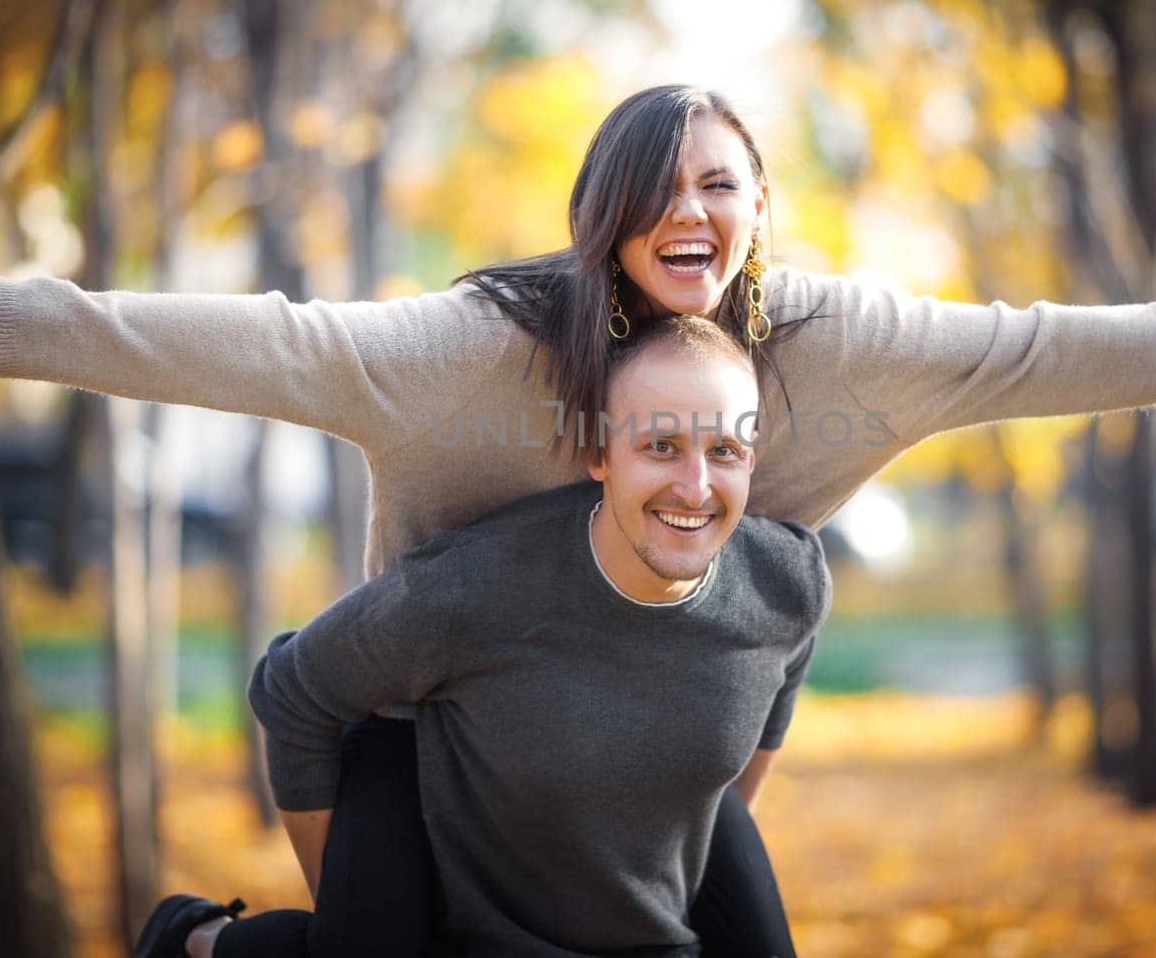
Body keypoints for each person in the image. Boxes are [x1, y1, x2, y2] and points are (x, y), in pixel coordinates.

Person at [0, 84, 1156, 944]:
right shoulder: (476, 348)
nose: (694, 214)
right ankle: (193, 943)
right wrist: (29, 315)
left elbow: (1048, 346)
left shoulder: (842, 349)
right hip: (436, 713)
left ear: (762, 208)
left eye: (725, 185)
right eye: (660, 188)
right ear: (603, 211)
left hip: (658, 716)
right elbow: (283, 342)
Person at [135, 315, 831, 957]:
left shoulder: (788, 581)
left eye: (725, 449)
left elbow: (778, 680)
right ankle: (200, 941)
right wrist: (343, 917)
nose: (695, 485)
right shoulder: (474, 588)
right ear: (600, 451)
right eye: (660, 446)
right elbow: (293, 690)